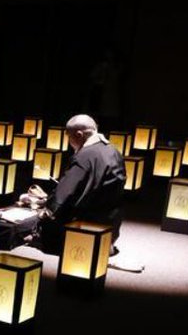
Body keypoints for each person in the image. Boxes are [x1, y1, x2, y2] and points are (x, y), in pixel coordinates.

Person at [20, 114, 140, 270]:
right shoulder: (113, 151)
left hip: (84, 225)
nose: (69, 142)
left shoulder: (84, 156)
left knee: (33, 221)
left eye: (69, 137)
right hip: (110, 224)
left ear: (78, 135)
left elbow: (64, 195)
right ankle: (104, 247)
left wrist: (45, 210)